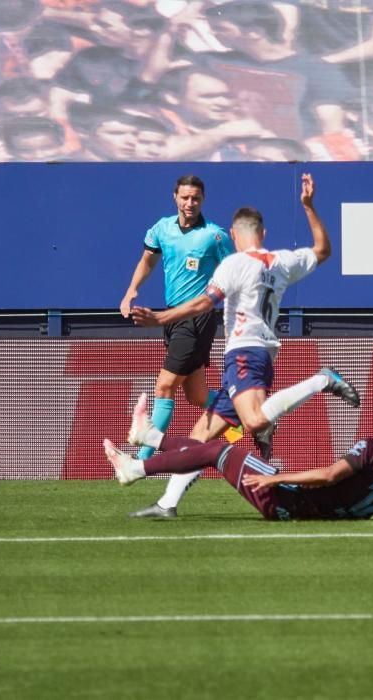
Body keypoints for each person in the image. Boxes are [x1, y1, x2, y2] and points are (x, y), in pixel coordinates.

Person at [130, 172, 360, 516]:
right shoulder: (282, 261)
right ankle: (167, 503)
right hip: (260, 353)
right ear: (263, 235)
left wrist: (160, 319)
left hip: (244, 352)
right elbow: (323, 250)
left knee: (252, 422)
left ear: (234, 235)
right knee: (200, 436)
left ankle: (322, 380)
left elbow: (203, 303)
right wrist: (309, 208)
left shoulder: (233, 263)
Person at [103, 394, 373, 522]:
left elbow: (330, 475)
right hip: (299, 510)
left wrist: (276, 478)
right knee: (213, 450)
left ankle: (136, 468)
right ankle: (149, 437)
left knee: (216, 449)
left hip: (287, 495)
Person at [119, 173, 234, 518]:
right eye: (184, 197)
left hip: (197, 319)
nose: (190, 203)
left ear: (203, 200)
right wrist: (131, 290)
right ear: (175, 198)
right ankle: (244, 416)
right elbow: (147, 260)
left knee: (165, 386)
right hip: (172, 317)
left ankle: (143, 458)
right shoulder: (161, 229)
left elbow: (234, 271)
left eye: (195, 198)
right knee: (198, 397)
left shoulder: (214, 235)